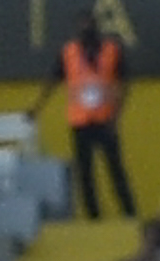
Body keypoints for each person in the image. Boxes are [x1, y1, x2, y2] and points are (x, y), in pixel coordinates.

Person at [49, 31, 133, 220]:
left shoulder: (111, 51)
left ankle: (129, 212)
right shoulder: (69, 52)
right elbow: (53, 80)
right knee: (85, 172)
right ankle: (93, 216)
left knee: (115, 169)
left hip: (105, 120)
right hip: (81, 121)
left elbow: (125, 82)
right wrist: (37, 108)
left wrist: (116, 116)